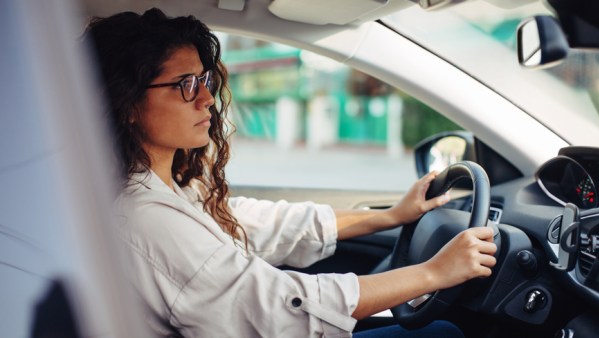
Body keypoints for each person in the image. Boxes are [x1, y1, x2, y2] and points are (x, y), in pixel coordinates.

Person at [82, 8, 497, 338]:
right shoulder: (143, 216)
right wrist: (432, 273)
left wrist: (387, 216)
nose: (207, 98)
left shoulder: (174, 187)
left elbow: (257, 223)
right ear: (129, 103)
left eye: (205, 80)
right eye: (186, 84)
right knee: (444, 331)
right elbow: (277, 306)